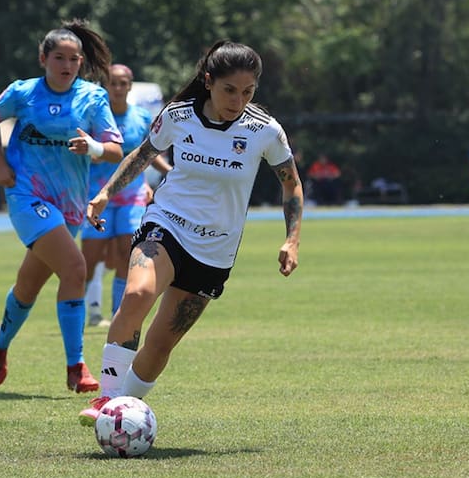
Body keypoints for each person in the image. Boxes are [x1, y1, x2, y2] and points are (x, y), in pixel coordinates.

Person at [77, 40, 303, 426]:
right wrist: (105, 194)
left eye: (248, 92)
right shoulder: (179, 116)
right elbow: (144, 154)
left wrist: (291, 238)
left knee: (162, 343)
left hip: (215, 250)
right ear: (209, 81)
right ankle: (108, 400)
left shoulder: (264, 130)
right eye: (230, 90)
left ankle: (120, 414)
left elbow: (291, 183)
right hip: (166, 224)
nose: (238, 100)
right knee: (136, 293)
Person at [0, 19, 124, 393]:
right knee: (75, 269)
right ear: (43, 58)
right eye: (59, 57)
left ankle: (1, 342)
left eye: (73, 59)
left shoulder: (92, 97)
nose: (66, 64)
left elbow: (115, 150)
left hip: (70, 205)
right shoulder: (23, 93)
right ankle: (76, 367)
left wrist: (92, 148)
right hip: (27, 196)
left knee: (28, 287)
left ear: (80, 63)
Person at [82, 64, 172, 328]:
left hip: (132, 196)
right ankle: (84, 311)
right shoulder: (94, 117)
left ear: (130, 86)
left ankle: (117, 313)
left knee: (126, 253)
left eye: (123, 83)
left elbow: (147, 154)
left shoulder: (142, 118)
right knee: (90, 258)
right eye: (113, 83)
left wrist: (171, 172)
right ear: (105, 86)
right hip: (98, 195)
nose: (118, 88)